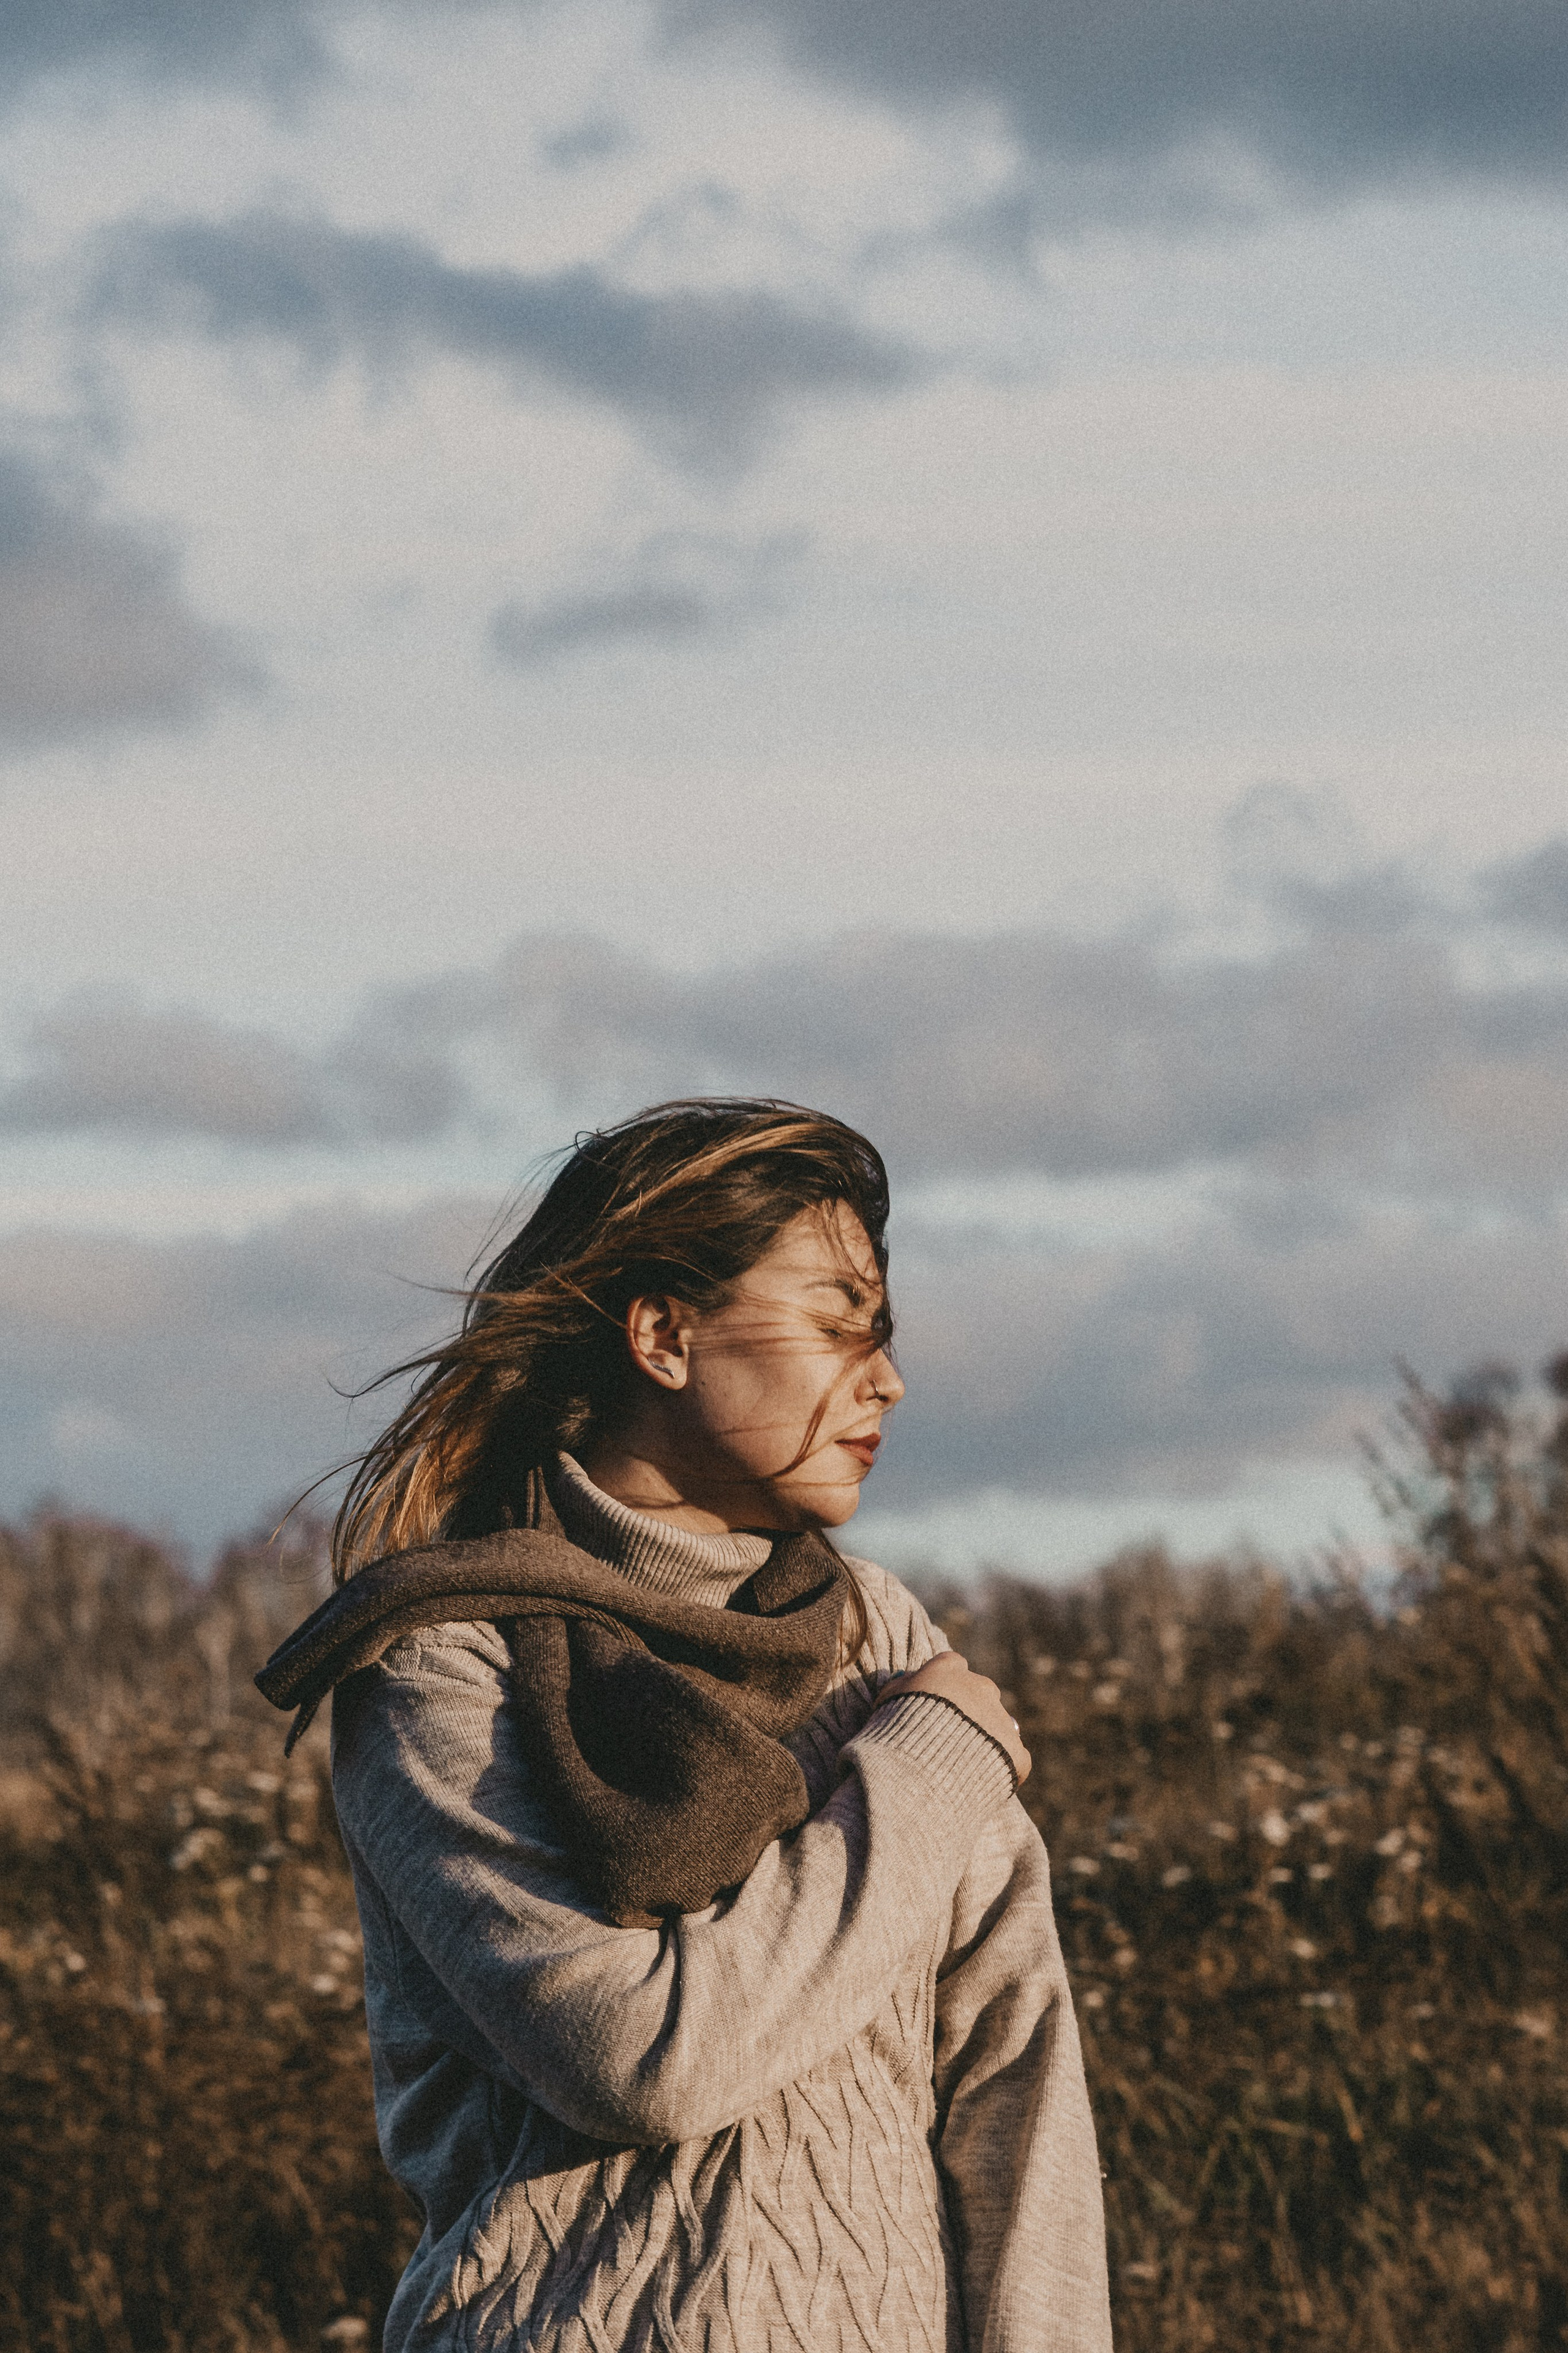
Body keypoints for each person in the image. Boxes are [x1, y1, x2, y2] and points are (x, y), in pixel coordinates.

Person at [257, 1099, 1112, 2352]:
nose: (886, 1377)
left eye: (880, 1333)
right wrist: (921, 1771)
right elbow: (641, 2057)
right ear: (661, 1333)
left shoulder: (875, 1637)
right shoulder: (441, 1662)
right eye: (835, 1323)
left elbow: (1013, 2081)